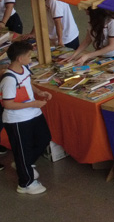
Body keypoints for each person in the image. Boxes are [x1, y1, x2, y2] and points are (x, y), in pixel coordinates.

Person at [2, 41, 53, 195]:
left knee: (44, 137)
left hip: (33, 113)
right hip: (17, 119)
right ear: (19, 58)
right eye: (29, 56)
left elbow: (28, 82)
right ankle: (25, 183)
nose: (31, 58)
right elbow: (8, 104)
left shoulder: (24, 68)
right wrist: (33, 103)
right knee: (22, 150)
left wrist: (39, 92)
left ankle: (23, 164)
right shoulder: (9, 79)